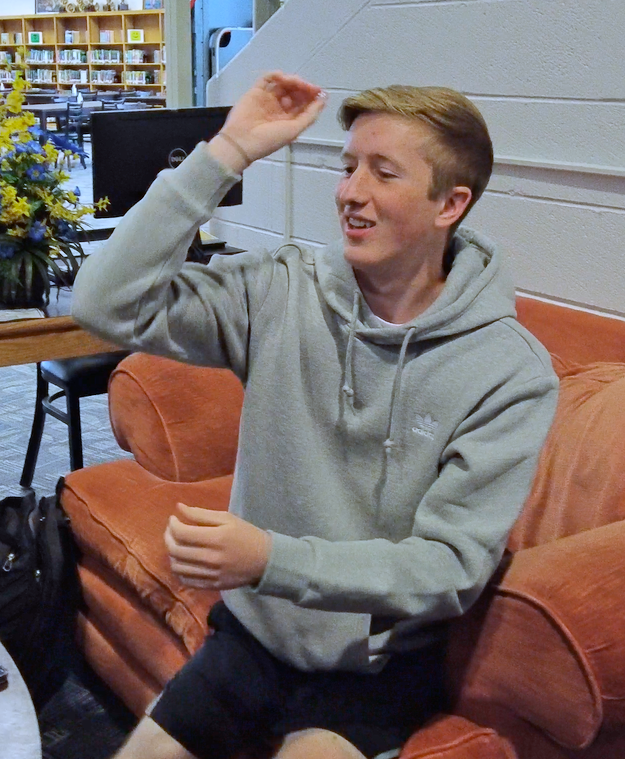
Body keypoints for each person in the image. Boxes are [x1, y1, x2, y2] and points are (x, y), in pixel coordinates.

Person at [71, 72, 559, 759]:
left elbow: (448, 567)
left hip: (375, 672)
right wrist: (229, 151)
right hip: (252, 638)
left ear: (450, 204)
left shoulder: (508, 370)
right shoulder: (283, 288)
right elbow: (104, 303)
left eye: (383, 172)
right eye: (348, 166)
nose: (350, 192)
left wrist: (270, 559)